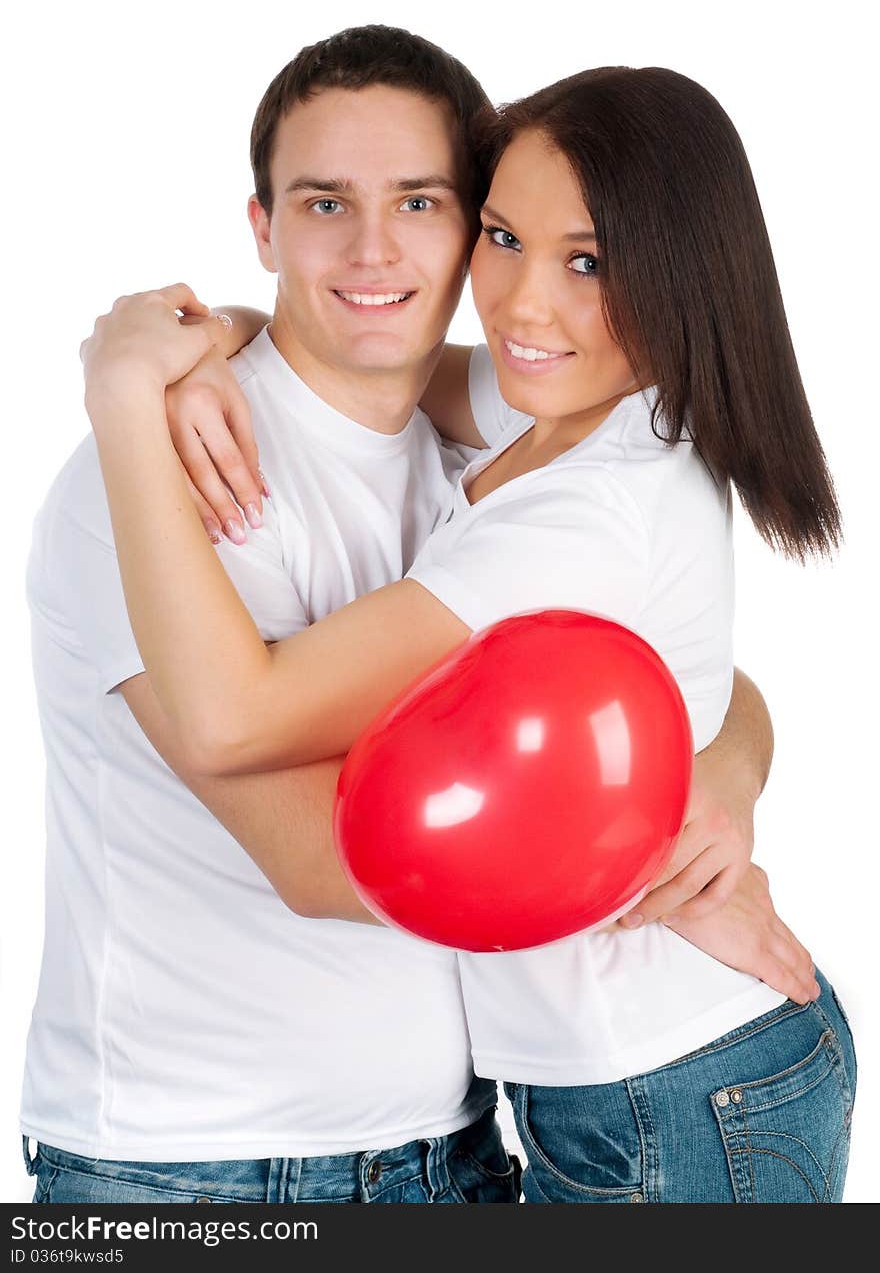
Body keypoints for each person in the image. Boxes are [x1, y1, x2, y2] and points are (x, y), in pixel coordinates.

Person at [78, 62, 851, 1202]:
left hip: (674, 1080)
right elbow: (387, 360)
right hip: (606, 1077)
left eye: (587, 261)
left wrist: (121, 400)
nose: (524, 306)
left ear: (683, 276)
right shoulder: (585, 407)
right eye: (502, 236)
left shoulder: (585, 504)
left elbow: (236, 717)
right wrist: (213, 346)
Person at [21, 26, 520, 1206]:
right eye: (322, 202)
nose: (372, 246)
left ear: (473, 233)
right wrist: (640, 824)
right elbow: (326, 854)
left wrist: (734, 763)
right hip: (182, 1172)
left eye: (417, 200)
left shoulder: (480, 467)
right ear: (262, 226)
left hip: (452, 1147)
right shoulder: (152, 470)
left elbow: (671, 633)